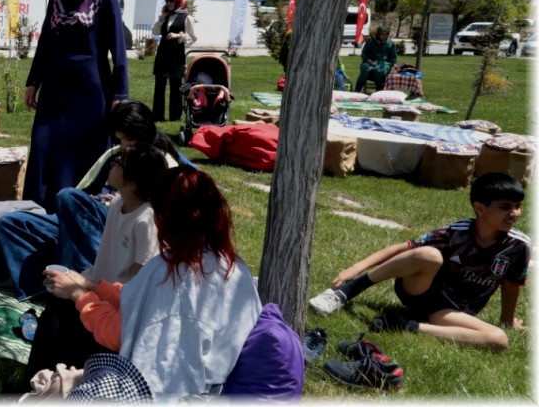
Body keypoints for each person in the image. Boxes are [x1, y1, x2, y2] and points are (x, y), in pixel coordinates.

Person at [46, 166, 261, 401]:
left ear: (161, 219)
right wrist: (91, 285)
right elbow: (139, 301)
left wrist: (79, 296)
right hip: (219, 384)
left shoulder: (171, 274)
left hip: (177, 394)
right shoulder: (233, 266)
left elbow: (119, 335)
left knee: (60, 313)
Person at [308, 172, 528, 350]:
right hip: (421, 290)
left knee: (499, 340)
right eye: (505, 207)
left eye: (518, 206)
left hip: (451, 312)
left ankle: (404, 325)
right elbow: (402, 249)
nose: (515, 213)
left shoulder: (518, 246)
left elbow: (511, 284)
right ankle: (345, 292)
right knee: (428, 255)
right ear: (480, 208)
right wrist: (353, 269)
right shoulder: (456, 232)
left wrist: (507, 320)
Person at [0, 100, 186, 300]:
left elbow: (161, 216)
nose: (123, 147)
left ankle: (76, 288)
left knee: (67, 198)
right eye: (120, 140)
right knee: (12, 224)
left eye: (128, 139)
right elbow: (90, 189)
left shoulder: (159, 165)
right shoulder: (119, 162)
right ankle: (42, 290)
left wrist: (121, 198)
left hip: (110, 225)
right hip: (92, 218)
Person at [23, 143, 167, 379]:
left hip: (116, 311)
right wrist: (83, 283)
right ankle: (41, 380)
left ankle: (48, 381)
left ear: (132, 181)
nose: (112, 164)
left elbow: (138, 291)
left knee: (61, 315)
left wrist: (83, 291)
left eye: (118, 163)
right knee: (57, 302)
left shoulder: (145, 220)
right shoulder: (119, 202)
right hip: (101, 288)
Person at [22, 0, 129, 211]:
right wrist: (33, 81)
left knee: (79, 155)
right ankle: (39, 213)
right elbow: (45, 41)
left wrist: (119, 94)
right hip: (55, 90)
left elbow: (118, 52)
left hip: (90, 94)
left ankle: (74, 213)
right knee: (45, 148)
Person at [152, 0, 197, 122]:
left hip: (176, 55)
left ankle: (175, 117)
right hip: (162, 54)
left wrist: (179, 36)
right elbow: (155, 32)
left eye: (172, 0)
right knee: (159, 86)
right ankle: (157, 116)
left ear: (179, 2)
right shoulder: (165, 15)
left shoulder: (187, 18)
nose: (169, 3)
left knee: (175, 87)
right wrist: (161, 19)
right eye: (167, 0)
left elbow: (193, 37)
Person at [355, 27, 397, 92]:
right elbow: (364, 53)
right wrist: (369, 61)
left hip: (384, 63)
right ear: (378, 34)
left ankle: (378, 91)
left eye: (386, 35)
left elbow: (393, 56)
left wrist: (394, 64)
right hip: (369, 61)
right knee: (365, 69)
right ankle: (357, 91)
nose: (384, 36)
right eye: (382, 35)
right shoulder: (370, 41)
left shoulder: (390, 43)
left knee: (380, 71)